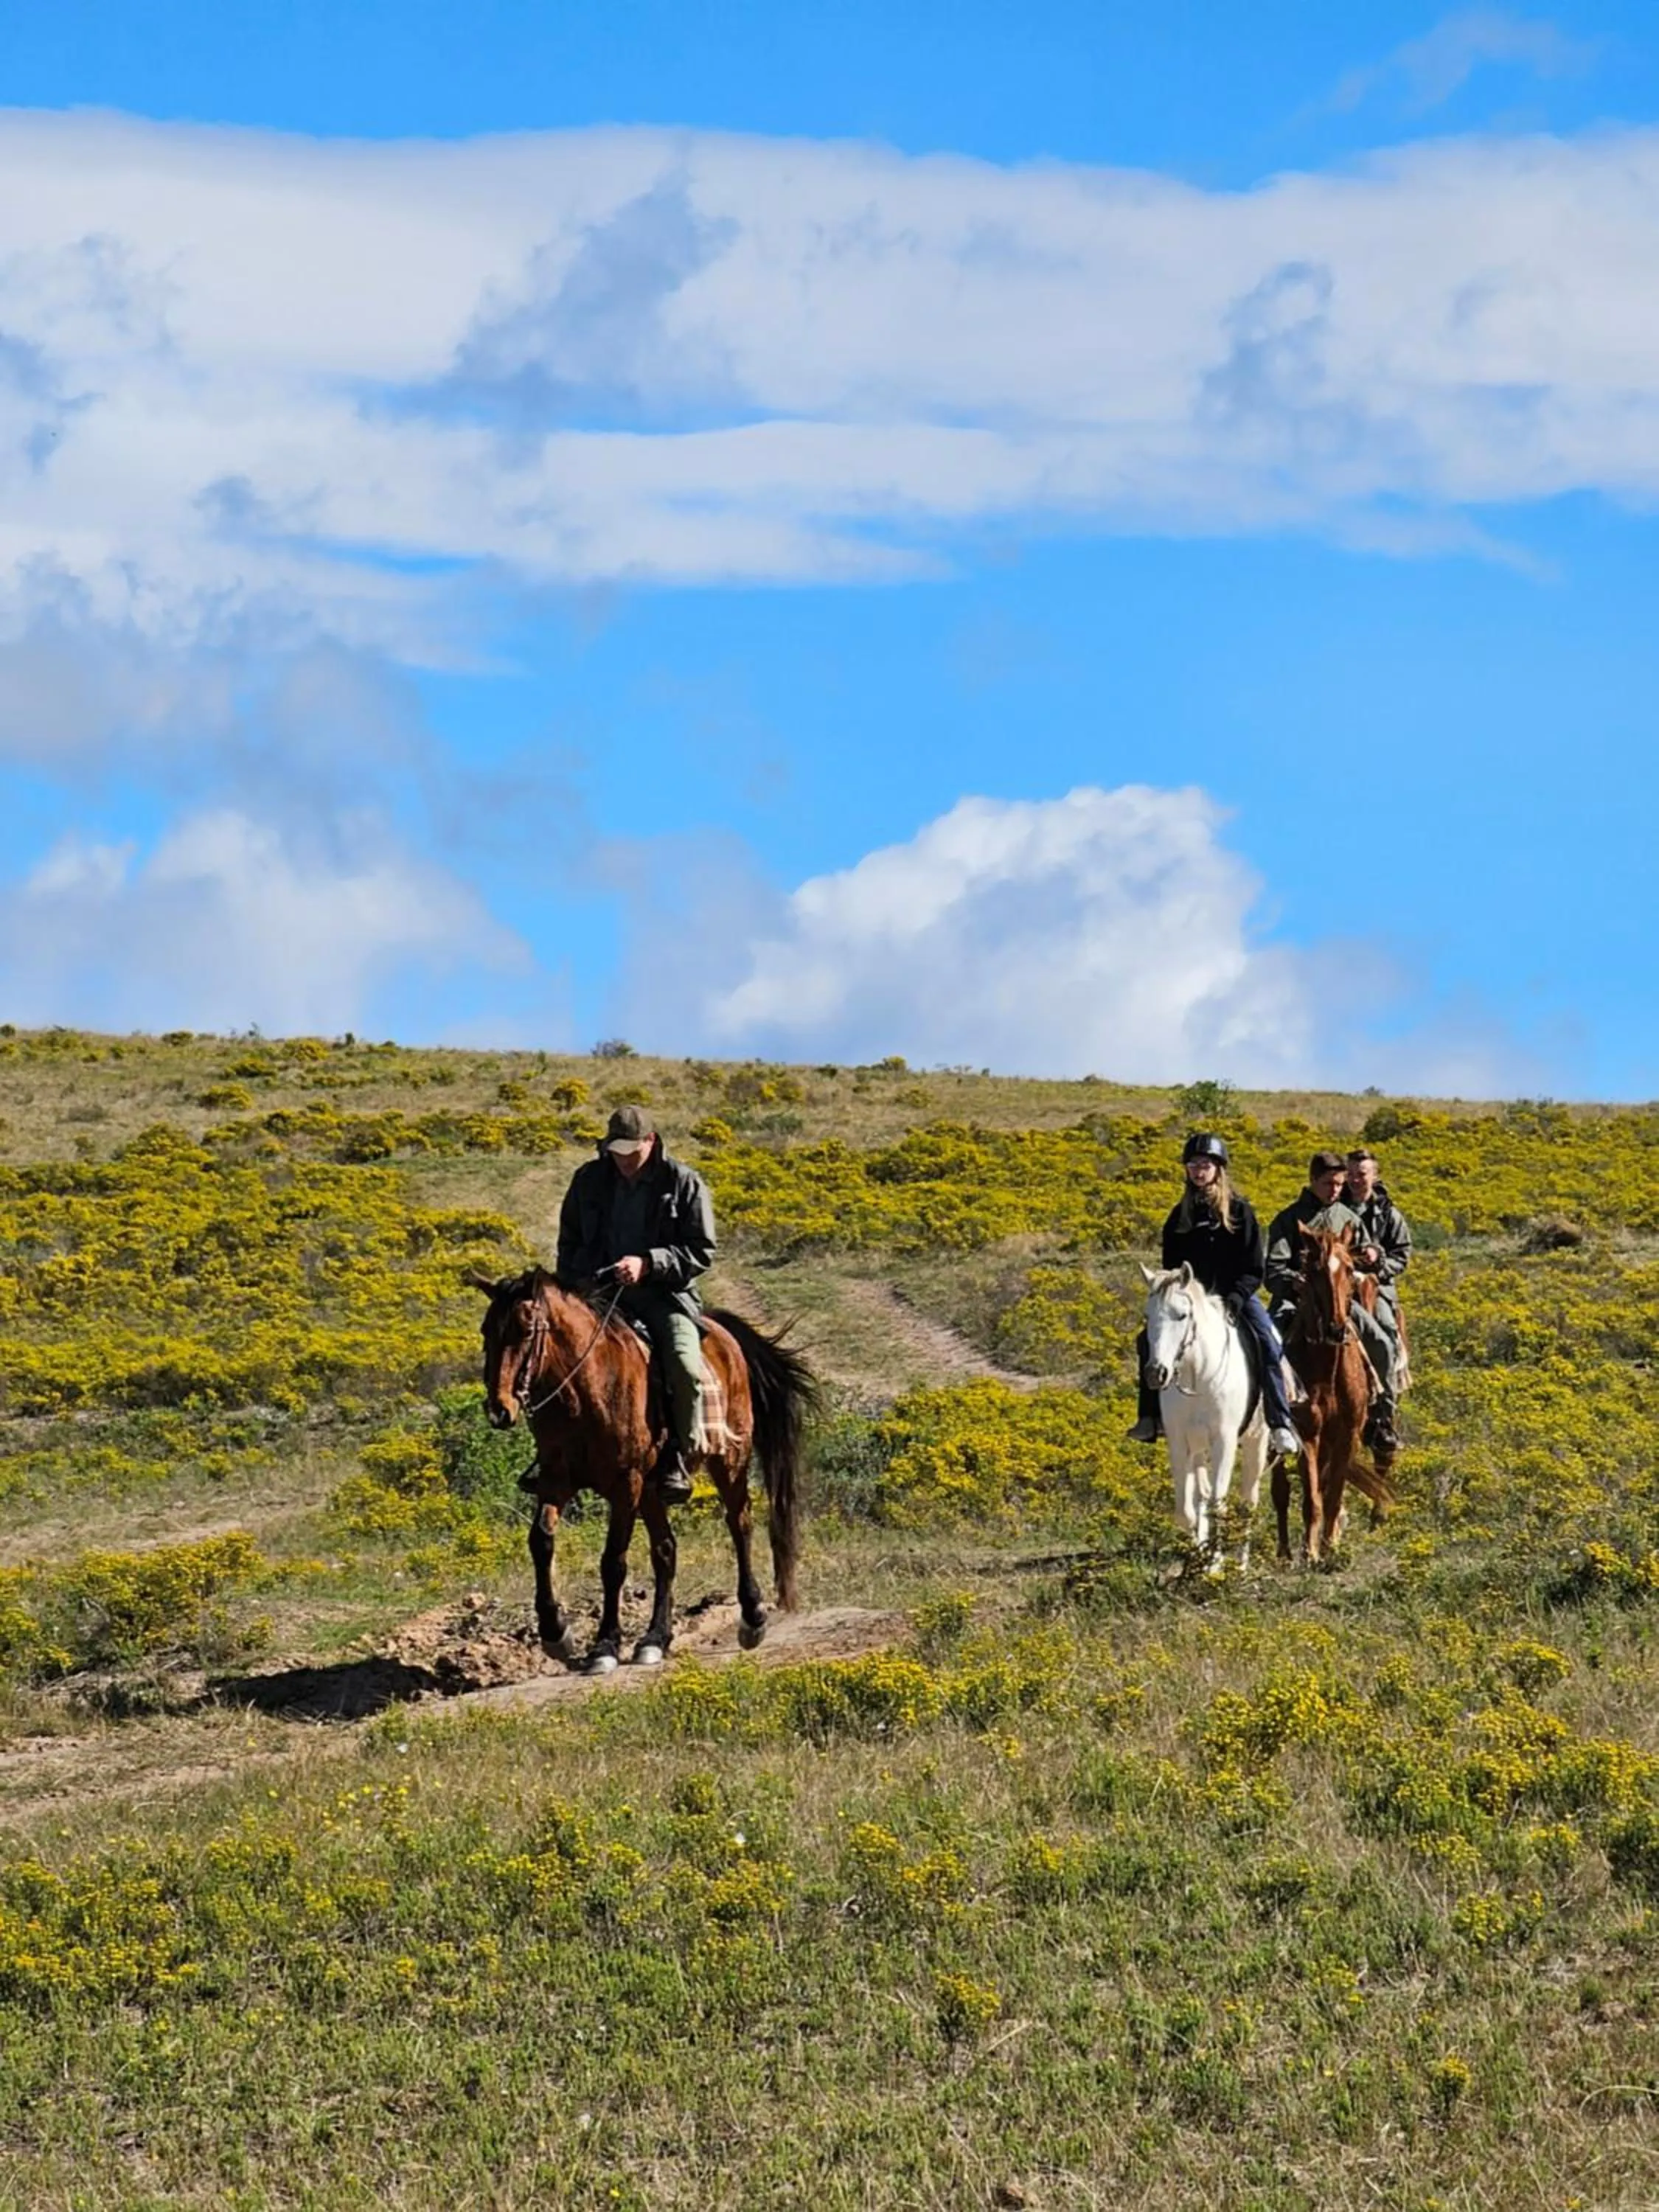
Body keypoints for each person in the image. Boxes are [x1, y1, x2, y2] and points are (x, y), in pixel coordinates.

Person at [555, 1105, 716, 1503]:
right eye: (617, 1152)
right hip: (598, 1297)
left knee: (683, 1364)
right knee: (553, 1356)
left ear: (651, 1141)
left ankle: (679, 1454)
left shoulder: (683, 1182)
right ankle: (553, 1455)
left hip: (665, 1296)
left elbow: (701, 1252)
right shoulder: (588, 1181)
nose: (624, 1161)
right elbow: (568, 1243)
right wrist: (582, 1282)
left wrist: (649, 1264)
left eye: (632, 1152)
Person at [1128, 1132, 1302, 1458]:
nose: (1198, 1171)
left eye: (1205, 1164)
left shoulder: (1240, 1212)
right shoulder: (1178, 1218)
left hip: (1236, 1298)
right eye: (1193, 1164)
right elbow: (1172, 1271)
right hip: (1192, 1302)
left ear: (1218, 1169)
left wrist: (1235, 1299)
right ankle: (1150, 1418)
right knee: (1147, 1340)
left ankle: (1280, 1422)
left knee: (1268, 1340)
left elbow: (1254, 1268)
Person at [1265, 1150, 1399, 1455]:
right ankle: (1270, 1417)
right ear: (1313, 1181)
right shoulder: (1289, 1220)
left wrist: (1373, 1255)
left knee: (1383, 1345)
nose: (1336, 1190)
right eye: (1329, 1184)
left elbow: (1364, 1253)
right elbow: (1273, 1269)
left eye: (1340, 1184)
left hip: (1341, 1306)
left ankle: (1380, 1417)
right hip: (1296, 1303)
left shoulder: (1348, 1218)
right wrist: (1294, 1282)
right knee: (1270, 1345)